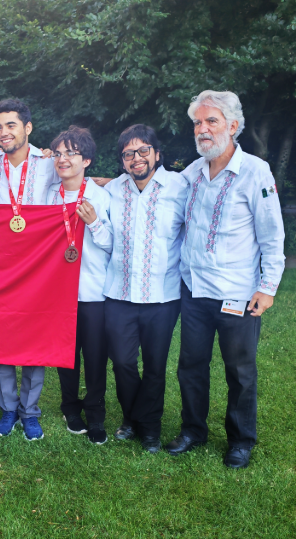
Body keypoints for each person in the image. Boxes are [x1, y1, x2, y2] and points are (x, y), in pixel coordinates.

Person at [166, 91, 285, 468]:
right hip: (195, 291)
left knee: (240, 371)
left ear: (233, 126)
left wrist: (267, 288)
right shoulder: (193, 172)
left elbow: (272, 235)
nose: (202, 129)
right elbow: (155, 185)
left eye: (211, 121)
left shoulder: (255, 171)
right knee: (191, 366)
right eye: (198, 123)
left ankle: (240, 440)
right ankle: (193, 430)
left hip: (238, 293)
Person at [103, 124, 188, 453]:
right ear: (122, 160)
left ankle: (148, 428)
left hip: (162, 295)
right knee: (123, 362)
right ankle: (131, 417)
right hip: (119, 293)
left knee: (154, 366)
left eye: (142, 151)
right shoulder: (112, 190)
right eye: (128, 153)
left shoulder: (180, 186)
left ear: (156, 154)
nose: (136, 158)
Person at [0, 98, 57, 441]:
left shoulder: (49, 163)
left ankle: (31, 411)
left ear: (28, 128)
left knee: (34, 341)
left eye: (11, 125)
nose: (4, 132)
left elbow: (80, 177)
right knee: (3, 340)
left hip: (38, 266)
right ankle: (9, 409)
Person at [45, 126, 113, 445]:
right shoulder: (47, 196)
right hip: (58, 293)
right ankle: (70, 407)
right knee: (65, 355)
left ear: (86, 160)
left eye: (70, 153)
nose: (62, 159)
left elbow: (114, 245)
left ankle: (95, 412)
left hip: (94, 292)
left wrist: (95, 224)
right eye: (58, 153)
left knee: (96, 356)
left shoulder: (101, 196)